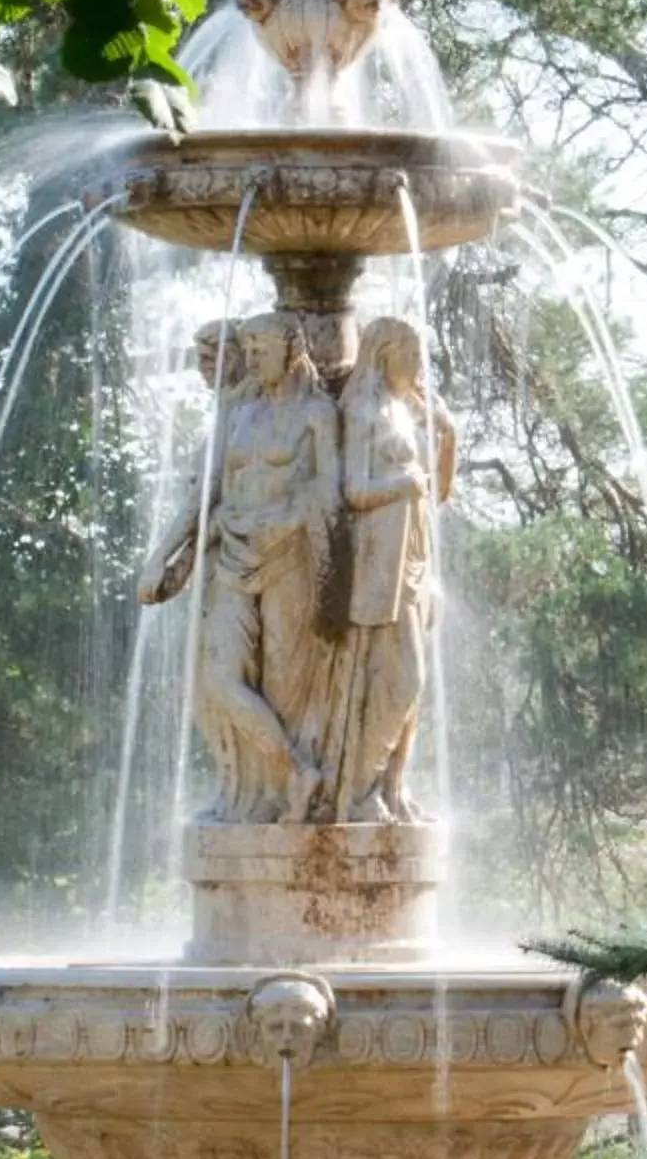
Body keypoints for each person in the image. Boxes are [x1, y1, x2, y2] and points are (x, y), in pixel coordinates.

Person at [144, 311, 340, 821]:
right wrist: (160, 555)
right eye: (247, 350)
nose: (251, 360)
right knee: (220, 678)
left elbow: (332, 494)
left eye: (260, 350)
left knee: (286, 684)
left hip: (289, 556)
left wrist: (299, 521)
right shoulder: (237, 413)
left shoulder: (317, 413)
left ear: (291, 350)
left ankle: (287, 796)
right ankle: (291, 772)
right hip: (233, 551)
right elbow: (205, 491)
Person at [333, 317, 456, 823]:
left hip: (412, 558)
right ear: (384, 353)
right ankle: (357, 791)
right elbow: (353, 490)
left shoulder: (403, 410)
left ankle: (393, 788)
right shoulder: (363, 410)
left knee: (410, 684)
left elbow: (439, 492)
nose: (421, 367)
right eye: (413, 355)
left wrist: (447, 434)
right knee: (403, 677)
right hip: (376, 564)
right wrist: (404, 485)